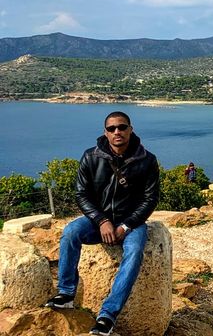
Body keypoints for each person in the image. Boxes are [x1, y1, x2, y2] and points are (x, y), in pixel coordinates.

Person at [45, 111, 160, 336]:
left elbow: (150, 198)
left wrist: (126, 226)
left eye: (122, 127)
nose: (117, 131)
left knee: (135, 251)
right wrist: (102, 220)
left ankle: (107, 315)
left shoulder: (147, 160)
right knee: (70, 232)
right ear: (105, 132)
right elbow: (81, 194)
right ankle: (66, 293)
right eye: (112, 128)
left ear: (131, 129)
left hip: (132, 222)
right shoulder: (91, 157)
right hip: (98, 220)